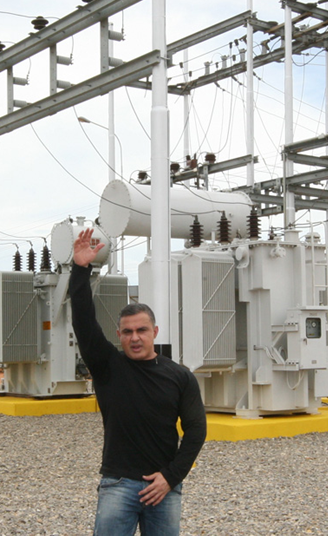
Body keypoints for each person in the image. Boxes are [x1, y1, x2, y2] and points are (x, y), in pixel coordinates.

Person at [69, 229, 206, 536]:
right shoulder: (107, 366)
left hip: (163, 487)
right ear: (119, 335)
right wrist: (80, 269)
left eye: (141, 330)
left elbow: (197, 430)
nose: (135, 338)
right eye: (128, 332)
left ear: (154, 332)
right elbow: (83, 321)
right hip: (118, 484)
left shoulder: (180, 376)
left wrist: (171, 477)